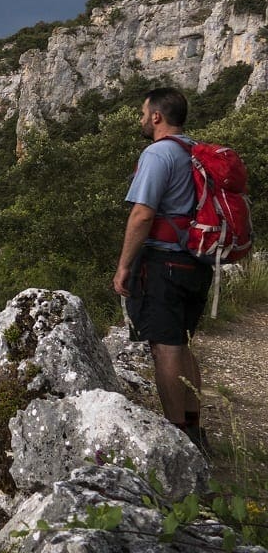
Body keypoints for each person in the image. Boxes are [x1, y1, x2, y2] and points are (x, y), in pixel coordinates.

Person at [112, 87, 213, 448]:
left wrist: (124, 266)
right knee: (183, 345)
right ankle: (195, 427)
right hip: (198, 263)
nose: (141, 119)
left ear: (156, 116)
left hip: (165, 262)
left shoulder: (158, 153)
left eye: (143, 113)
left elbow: (142, 214)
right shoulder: (195, 151)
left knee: (165, 348)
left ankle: (178, 437)